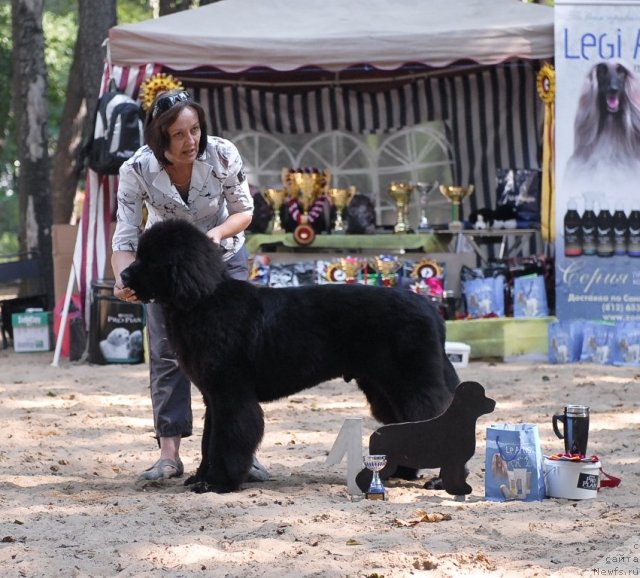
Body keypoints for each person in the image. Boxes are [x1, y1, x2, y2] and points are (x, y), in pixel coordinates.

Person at [111, 89, 269, 484]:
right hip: (165, 271)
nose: (190, 141)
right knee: (167, 353)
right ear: (160, 138)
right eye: (179, 134)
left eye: (194, 130)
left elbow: (244, 210)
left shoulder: (222, 153)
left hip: (223, 258)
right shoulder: (135, 169)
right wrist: (123, 277)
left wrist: (215, 234)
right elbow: (125, 237)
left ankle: (241, 454)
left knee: (233, 360)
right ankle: (169, 454)